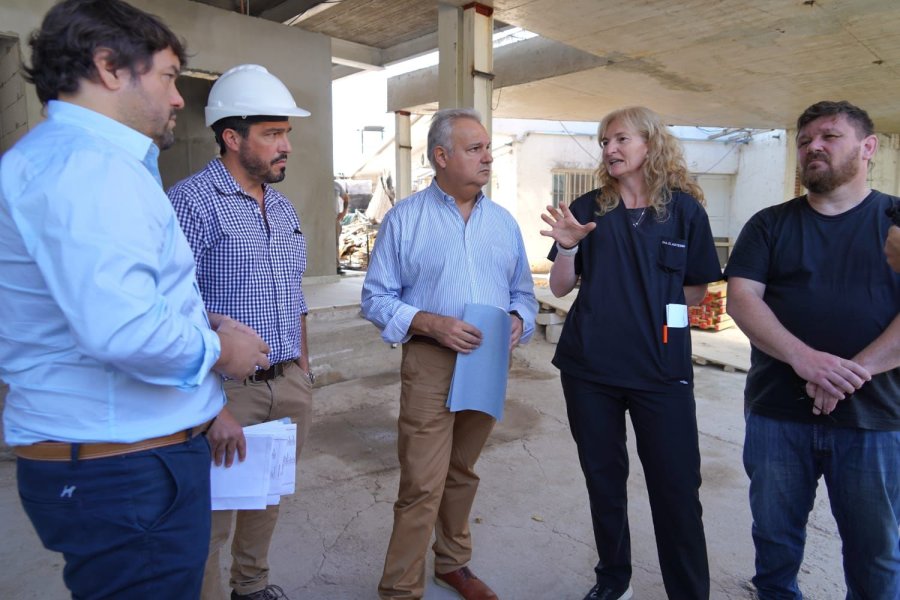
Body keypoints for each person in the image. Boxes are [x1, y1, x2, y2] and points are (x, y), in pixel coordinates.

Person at [0, 1, 270, 598]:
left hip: (116, 459)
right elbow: (121, 330)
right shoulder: (88, 167)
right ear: (108, 66)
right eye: (168, 77)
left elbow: (110, 297)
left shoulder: (71, 160)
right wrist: (220, 349)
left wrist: (201, 317)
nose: (177, 98)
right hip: (123, 466)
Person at [540, 106, 720, 600]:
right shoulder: (588, 207)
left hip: (661, 373)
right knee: (604, 481)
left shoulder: (685, 211)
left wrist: (651, 303)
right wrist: (569, 248)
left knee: (677, 488)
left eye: (620, 139)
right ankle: (614, 580)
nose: (610, 149)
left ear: (650, 144)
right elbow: (559, 287)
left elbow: (697, 289)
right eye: (604, 142)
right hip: (590, 370)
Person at [725, 100, 900, 599]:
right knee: (774, 544)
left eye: (829, 136)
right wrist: (806, 360)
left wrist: (845, 374)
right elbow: (742, 298)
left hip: (876, 419)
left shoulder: (896, 220)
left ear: (868, 147)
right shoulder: (769, 224)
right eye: (804, 141)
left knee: (876, 553)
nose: (813, 147)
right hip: (778, 413)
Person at [361, 108, 537, 600]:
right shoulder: (405, 219)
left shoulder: (503, 223)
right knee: (422, 481)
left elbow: (523, 292)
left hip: (488, 361)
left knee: (462, 471)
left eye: (488, 148)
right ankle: (400, 588)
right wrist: (430, 322)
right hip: (430, 361)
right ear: (441, 156)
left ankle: (453, 564)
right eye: (475, 149)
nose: (488, 158)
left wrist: (519, 318)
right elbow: (375, 298)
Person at [167, 64, 314, 600]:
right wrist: (211, 409)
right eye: (272, 134)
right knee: (209, 520)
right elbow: (172, 309)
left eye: (286, 134)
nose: (286, 146)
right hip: (225, 392)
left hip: (287, 384)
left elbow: (294, 296)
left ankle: (250, 588)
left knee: (266, 498)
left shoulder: (282, 207)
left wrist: (302, 371)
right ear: (232, 138)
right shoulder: (190, 203)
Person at [335, 177, 350, 273]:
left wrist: (344, 212)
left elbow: (346, 198)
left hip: (334, 219)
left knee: (335, 243)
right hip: (321, 218)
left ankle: (336, 266)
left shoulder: (336, 185)